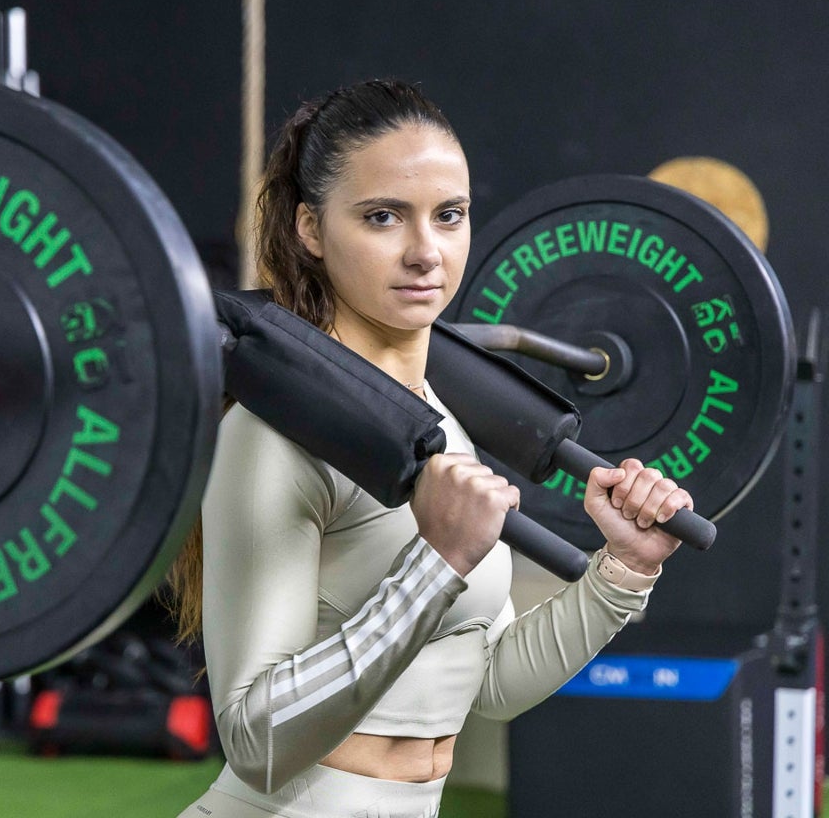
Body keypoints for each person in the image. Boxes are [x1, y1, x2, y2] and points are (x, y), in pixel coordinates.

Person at [171, 79, 691, 818]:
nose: (425, 251)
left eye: (448, 216)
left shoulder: (439, 420)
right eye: (383, 217)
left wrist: (622, 575)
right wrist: (437, 563)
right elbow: (255, 742)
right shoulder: (272, 437)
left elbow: (490, 685)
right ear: (311, 230)